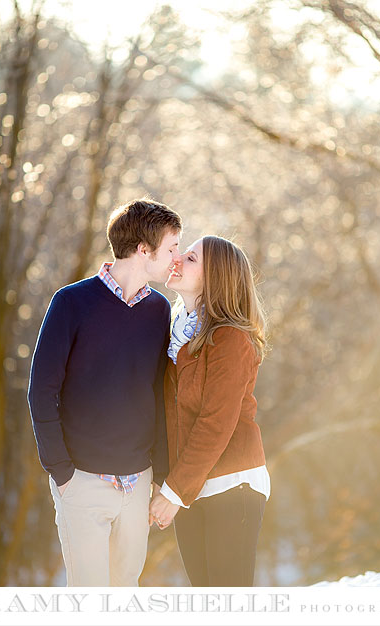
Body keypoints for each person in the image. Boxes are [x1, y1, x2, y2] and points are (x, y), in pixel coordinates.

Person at [26, 198, 181, 586]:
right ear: (144, 250)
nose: (176, 258)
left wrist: (159, 473)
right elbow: (41, 391)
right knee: (89, 597)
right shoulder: (71, 302)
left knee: (125, 590)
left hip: (138, 481)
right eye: (172, 248)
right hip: (81, 481)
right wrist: (62, 472)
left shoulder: (160, 310)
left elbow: (159, 396)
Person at [148, 235, 269, 587]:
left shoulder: (231, 338)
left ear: (214, 277)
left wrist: (173, 491)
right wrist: (164, 480)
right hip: (189, 487)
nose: (177, 260)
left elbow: (216, 422)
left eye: (190, 258)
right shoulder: (174, 339)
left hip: (233, 486)